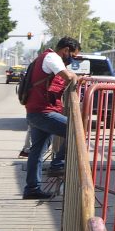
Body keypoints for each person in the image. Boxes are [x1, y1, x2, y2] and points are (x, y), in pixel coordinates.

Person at [22, 37, 80, 200]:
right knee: (76, 130)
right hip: (43, 111)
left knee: (37, 151)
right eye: (73, 56)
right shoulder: (52, 57)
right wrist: (75, 77)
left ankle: (31, 189)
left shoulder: (45, 57)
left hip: (37, 111)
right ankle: (57, 164)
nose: (72, 60)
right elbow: (67, 77)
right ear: (66, 50)